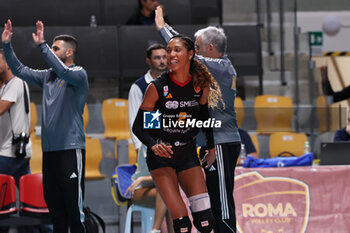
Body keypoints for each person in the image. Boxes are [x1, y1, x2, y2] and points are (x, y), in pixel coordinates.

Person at [155, 7, 241, 233]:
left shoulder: (220, 66)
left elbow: (185, 55)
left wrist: (163, 28)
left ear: (210, 49)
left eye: (197, 47)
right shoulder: (215, 68)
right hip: (212, 142)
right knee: (215, 199)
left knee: (222, 202)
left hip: (221, 142)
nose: (193, 51)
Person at [2, 20, 88, 233]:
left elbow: (64, 72)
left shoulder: (78, 74)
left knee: (74, 212)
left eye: (55, 48)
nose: (51, 50)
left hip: (70, 150)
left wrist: (42, 46)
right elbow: (19, 69)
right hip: (50, 153)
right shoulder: (47, 77)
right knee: (56, 212)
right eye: (51, 47)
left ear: (69, 53)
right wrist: (6, 45)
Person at [133, 34, 223, 233]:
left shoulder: (200, 84)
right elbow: (139, 127)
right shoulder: (158, 87)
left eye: (177, 50)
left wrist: (211, 147)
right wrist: (154, 144)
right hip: (162, 157)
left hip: (187, 154)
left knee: (205, 220)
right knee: (182, 224)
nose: (171, 55)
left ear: (190, 54)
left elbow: (204, 116)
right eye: (169, 50)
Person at [127, 43, 174, 233]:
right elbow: (135, 120)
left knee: (170, 188)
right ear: (149, 60)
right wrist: (141, 146)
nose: (162, 61)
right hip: (147, 147)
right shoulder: (139, 87)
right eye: (157, 57)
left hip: (161, 152)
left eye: (165, 57)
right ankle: (156, 229)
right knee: (168, 188)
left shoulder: (173, 82)